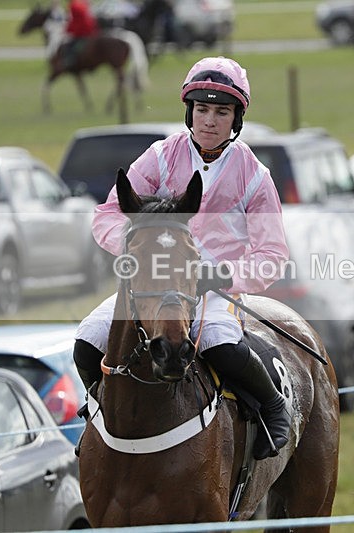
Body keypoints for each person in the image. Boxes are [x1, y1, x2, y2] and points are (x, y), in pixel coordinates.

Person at [73, 56, 291, 460]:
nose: (209, 121)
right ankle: (97, 403)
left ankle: (274, 406)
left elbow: (272, 254)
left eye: (221, 112)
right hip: (151, 282)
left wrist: (224, 275)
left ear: (236, 119)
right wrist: (137, 249)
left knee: (218, 343)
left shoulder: (256, 176)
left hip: (213, 291)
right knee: (88, 339)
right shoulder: (159, 155)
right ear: (190, 112)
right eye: (202, 110)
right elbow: (107, 214)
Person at [63, 0, 99, 69]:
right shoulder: (83, 2)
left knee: (71, 45)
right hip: (92, 28)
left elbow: (74, 20)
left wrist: (67, 30)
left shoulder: (74, 5)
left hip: (83, 30)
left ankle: (70, 60)